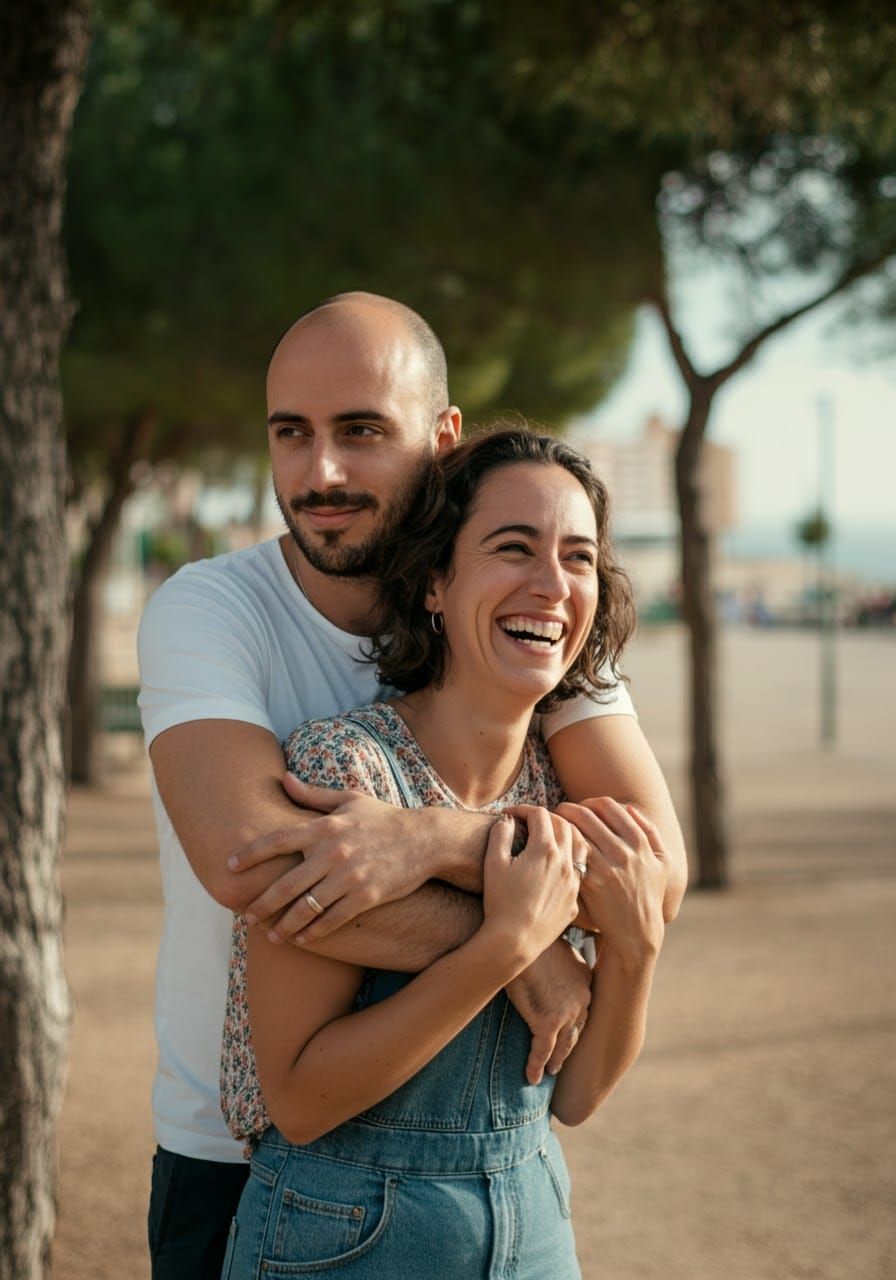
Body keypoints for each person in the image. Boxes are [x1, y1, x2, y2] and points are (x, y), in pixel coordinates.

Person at [138, 292, 687, 1279]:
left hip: (512, 1191)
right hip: (240, 1161)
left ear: (441, 440)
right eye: (291, 433)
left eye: (359, 430)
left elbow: (654, 870)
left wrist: (431, 840)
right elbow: (258, 864)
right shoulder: (214, 609)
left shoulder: (529, 627)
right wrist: (523, 945)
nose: (321, 472)